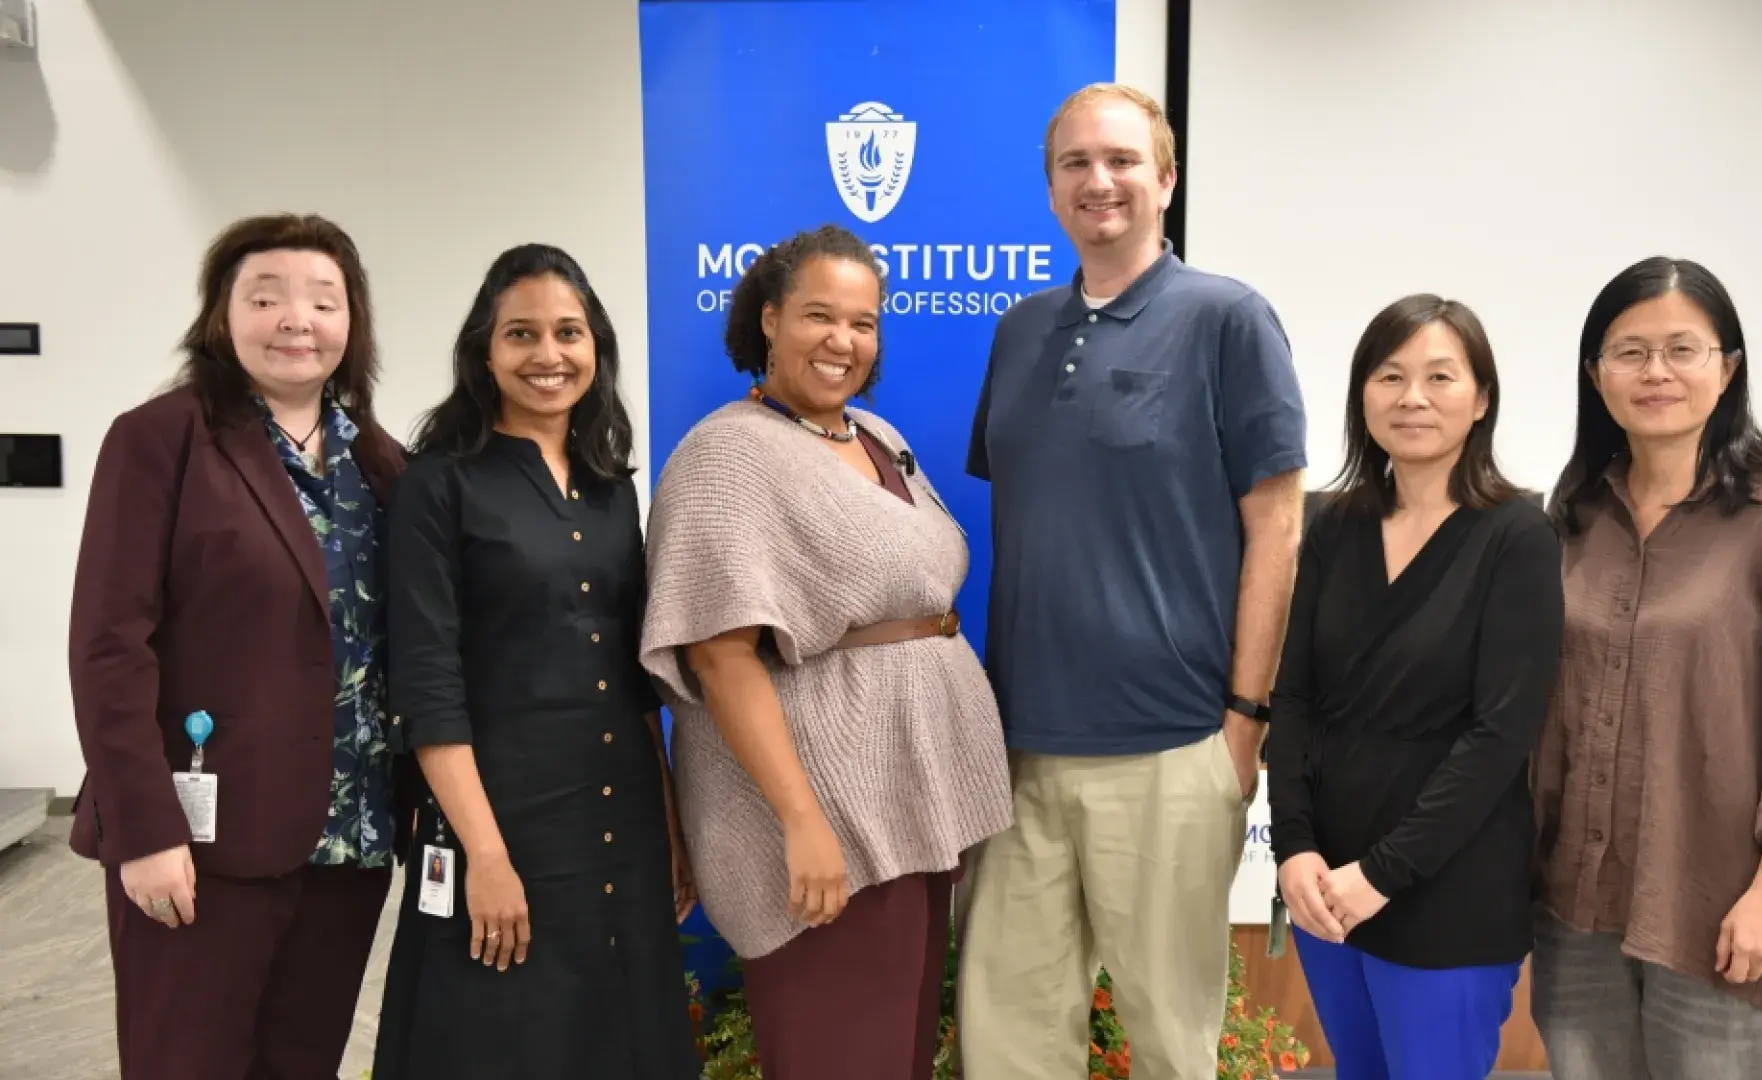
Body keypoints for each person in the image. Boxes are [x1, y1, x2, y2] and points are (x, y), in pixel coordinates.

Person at [957, 82, 1308, 1080]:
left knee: (1168, 1046)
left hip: (1172, 744)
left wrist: (1245, 721)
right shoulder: (1020, 329)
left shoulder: (1229, 319)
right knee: (1009, 1045)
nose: (1098, 180)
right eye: (1075, 163)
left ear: (1166, 177)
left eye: (1121, 160)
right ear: (1050, 188)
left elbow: (1278, 528)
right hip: (1021, 748)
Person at [640, 223, 1013, 1080]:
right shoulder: (726, 455)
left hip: (910, 800)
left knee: (899, 1057)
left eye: (862, 322)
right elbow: (720, 659)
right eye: (819, 316)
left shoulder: (874, 435)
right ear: (769, 319)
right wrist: (803, 821)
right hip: (827, 813)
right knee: (839, 1057)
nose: (843, 340)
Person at [67, 212, 408, 1080]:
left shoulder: (382, 465)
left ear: (352, 321)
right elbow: (109, 647)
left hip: (350, 840)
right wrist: (143, 830)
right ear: (222, 316)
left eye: (323, 300)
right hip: (199, 844)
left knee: (302, 1065)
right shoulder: (162, 439)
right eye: (266, 297)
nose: (297, 319)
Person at [1532, 257, 1762, 1080]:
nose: (1657, 372)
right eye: (1630, 352)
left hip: (1721, 905)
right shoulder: (1575, 514)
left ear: (1728, 368)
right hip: (1575, 904)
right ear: (1596, 375)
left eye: (1683, 349)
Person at [371, 244, 700, 1080]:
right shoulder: (438, 484)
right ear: (484, 351)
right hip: (501, 821)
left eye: (568, 332)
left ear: (597, 348)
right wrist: (485, 856)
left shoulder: (610, 485)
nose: (547, 355)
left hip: (620, 820)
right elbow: (427, 688)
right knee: (503, 1040)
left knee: (623, 1041)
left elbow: (634, 680)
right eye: (521, 333)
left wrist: (667, 825)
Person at [1265, 296, 1562, 1079]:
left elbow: (1500, 736)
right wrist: (1294, 848)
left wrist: (1383, 874)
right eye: (1390, 376)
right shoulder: (1334, 526)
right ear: (1363, 395)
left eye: (1440, 377)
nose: (1413, 398)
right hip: (1329, 888)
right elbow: (1294, 699)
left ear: (1482, 399)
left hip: (1448, 893)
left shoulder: (1518, 538)